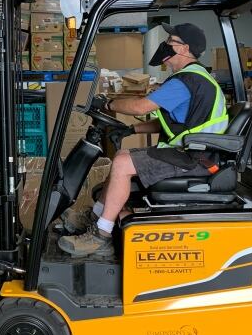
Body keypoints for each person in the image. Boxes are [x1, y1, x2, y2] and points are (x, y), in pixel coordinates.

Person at [58, 23, 229, 257]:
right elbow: (172, 122)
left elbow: (141, 105)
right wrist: (131, 130)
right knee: (121, 157)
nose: (166, 45)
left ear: (184, 48)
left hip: (194, 158)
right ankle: (97, 217)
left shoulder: (186, 81)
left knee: (122, 164)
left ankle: (101, 236)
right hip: (193, 152)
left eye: (171, 40)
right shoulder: (194, 78)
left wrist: (108, 104)